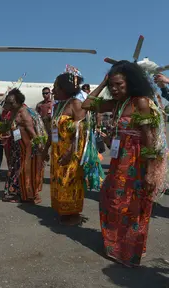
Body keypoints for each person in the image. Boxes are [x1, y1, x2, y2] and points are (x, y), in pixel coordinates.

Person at [82, 61, 169, 267]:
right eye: (112, 85)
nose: (115, 89)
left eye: (119, 84)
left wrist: (149, 172)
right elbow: (87, 105)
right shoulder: (117, 104)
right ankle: (117, 244)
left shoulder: (141, 103)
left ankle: (131, 249)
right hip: (119, 159)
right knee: (110, 200)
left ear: (130, 82)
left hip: (137, 162)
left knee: (133, 205)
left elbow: (149, 138)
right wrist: (103, 82)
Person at [46, 66, 87, 225]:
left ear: (65, 89)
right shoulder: (57, 106)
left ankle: (73, 213)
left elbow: (82, 130)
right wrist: (45, 149)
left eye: (55, 87)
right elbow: (53, 130)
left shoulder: (75, 104)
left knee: (70, 181)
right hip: (57, 152)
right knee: (58, 181)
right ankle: (63, 210)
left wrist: (70, 151)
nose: (52, 90)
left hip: (71, 152)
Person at [1, 88, 48, 203]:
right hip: (18, 149)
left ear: (19, 102)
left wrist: (42, 148)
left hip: (28, 149)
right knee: (17, 171)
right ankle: (18, 193)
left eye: (11, 103)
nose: (9, 105)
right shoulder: (14, 112)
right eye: (7, 102)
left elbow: (32, 131)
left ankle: (29, 195)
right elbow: (11, 128)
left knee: (26, 172)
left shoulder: (24, 113)